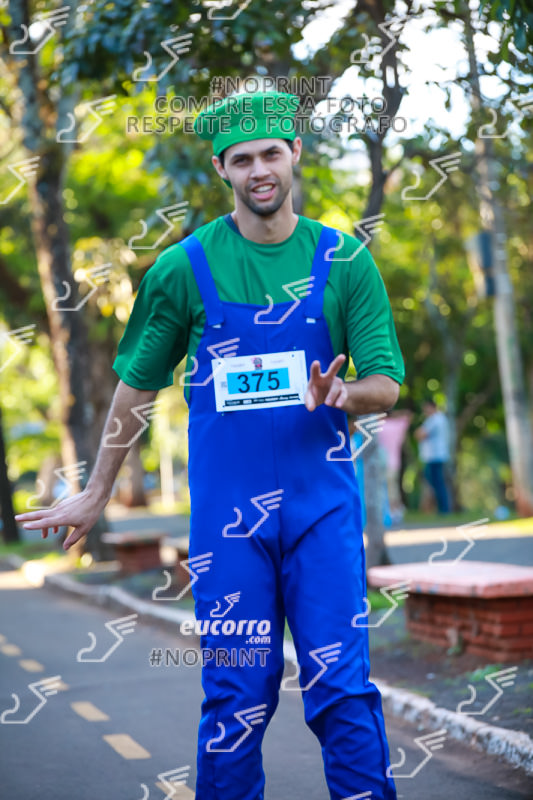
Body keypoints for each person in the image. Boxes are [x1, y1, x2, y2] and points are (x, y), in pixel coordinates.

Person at [15, 91, 405, 800]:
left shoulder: (345, 260)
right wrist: (97, 491)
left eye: (271, 154)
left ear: (295, 153)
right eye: (242, 160)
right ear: (221, 169)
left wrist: (345, 394)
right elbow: (136, 389)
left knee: (341, 690)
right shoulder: (181, 269)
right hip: (230, 529)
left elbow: (386, 381)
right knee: (236, 694)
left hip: (322, 516)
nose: (260, 171)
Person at [414, 398, 450, 514]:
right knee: (435, 481)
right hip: (433, 456)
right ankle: (442, 508)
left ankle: (444, 509)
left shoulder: (436, 419)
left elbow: (421, 434)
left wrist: (419, 433)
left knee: (437, 482)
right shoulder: (436, 419)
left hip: (435, 456)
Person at [378, 410, 413, 524]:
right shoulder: (398, 425)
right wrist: (395, 415)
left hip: (382, 462)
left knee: (388, 489)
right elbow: (409, 416)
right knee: (394, 487)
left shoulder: (379, 425)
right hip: (395, 462)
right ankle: (396, 510)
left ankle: (393, 511)